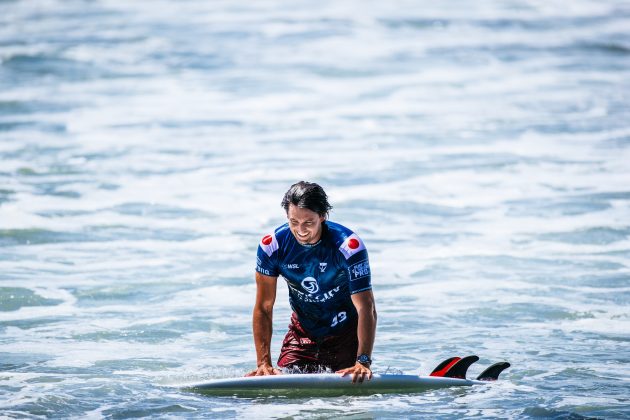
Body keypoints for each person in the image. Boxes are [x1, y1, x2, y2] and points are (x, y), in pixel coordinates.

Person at [246, 181, 377, 383]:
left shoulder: (348, 246)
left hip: (345, 334)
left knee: (347, 403)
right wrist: (263, 363)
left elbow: (365, 307)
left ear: (322, 216)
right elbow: (264, 307)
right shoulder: (272, 247)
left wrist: (363, 361)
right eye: (293, 222)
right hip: (303, 333)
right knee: (283, 392)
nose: (301, 230)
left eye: (309, 222)